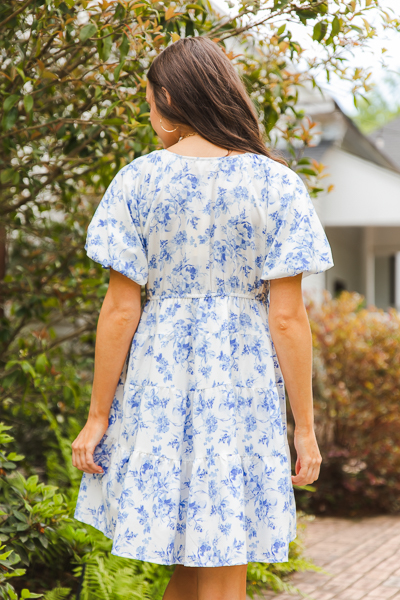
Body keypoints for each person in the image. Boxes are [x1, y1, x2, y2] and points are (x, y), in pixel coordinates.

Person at [72, 37, 334, 600]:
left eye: (148, 102)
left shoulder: (137, 181)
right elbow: (287, 320)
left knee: (192, 571)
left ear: (168, 96)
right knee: (220, 564)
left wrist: (98, 417)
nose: (149, 115)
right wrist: (304, 428)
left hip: (157, 389)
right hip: (240, 392)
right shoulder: (277, 185)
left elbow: (120, 309)